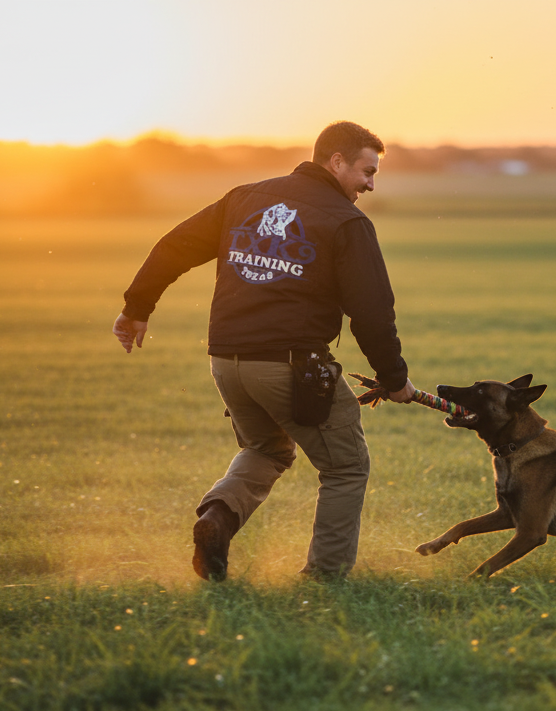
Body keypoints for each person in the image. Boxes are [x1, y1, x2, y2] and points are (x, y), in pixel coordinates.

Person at [112, 121, 416, 582]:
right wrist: (394, 379)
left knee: (267, 448)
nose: (371, 184)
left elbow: (176, 246)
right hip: (292, 368)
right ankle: (326, 580)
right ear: (336, 161)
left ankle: (216, 519)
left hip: (226, 362)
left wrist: (137, 308)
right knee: (346, 467)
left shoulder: (245, 197)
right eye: (366, 171)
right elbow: (373, 314)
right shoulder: (347, 222)